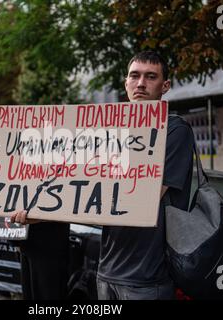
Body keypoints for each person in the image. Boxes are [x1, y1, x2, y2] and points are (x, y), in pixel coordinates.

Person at [12, 51, 195, 300]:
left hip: (147, 278)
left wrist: (50, 209)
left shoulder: (175, 130)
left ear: (165, 86)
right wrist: (39, 215)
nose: (141, 83)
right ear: (126, 83)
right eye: (135, 76)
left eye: (150, 77)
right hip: (106, 271)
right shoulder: (110, 132)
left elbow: (143, 197)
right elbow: (83, 191)